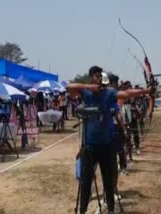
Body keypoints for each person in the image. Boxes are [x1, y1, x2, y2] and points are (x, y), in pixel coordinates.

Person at [67, 65, 119, 214]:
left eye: (100, 76)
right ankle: (82, 210)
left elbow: (121, 99)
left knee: (108, 181)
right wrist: (89, 86)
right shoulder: (87, 93)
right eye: (96, 76)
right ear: (91, 78)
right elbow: (69, 87)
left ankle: (110, 210)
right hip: (90, 146)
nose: (98, 79)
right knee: (86, 182)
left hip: (106, 145)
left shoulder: (108, 94)